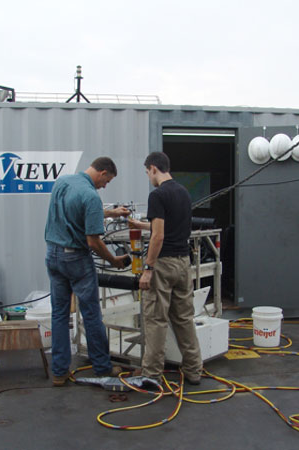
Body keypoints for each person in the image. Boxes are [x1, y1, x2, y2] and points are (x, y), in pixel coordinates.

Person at [45, 156, 130, 386]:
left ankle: (60, 372)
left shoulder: (63, 182)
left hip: (52, 255)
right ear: (102, 172)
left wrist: (112, 213)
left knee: (59, 314)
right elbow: (93, 242)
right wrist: (113, 260)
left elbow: (73, 213)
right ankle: (102, 367)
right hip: (76, 259)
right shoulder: (92, 196)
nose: (105, 186)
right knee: (91, 313)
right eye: (108, 181)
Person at [128, 152, 202, 385]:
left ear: (152, 168)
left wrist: (148, 268)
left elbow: (158, 236)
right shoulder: (183, 192)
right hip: (183, 264)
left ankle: (151, 375)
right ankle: (194, 370)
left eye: (147, 173)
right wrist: (140, 224)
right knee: (184, 319)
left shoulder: (157, 195)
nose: (148, 177)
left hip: (163, 264)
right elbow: (166, 226)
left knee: (156, 320)